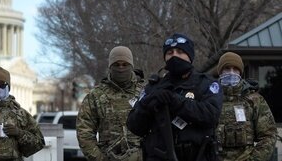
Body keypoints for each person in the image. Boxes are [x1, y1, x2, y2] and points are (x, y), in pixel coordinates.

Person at [126, 33, 223, 161]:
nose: (174, 56)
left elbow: (211, 115)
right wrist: (147, 104)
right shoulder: (153, 87)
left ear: (190, 56)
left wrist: (176, 101)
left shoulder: (206, 83)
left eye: (180, 51)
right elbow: (134, 126)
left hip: (197, 156)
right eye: (170, 52)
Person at [76, 46, 145, 161]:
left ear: (131, 66)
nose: (121, 68)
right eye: (117, 65)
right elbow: (84, 132)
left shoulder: (145, 92)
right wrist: (99, 158)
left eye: (125, 64)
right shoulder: (96, 96)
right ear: (110, 67)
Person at [215, 52, 277, 161]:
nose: (231, 72)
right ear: (220, 72)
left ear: (240, 72)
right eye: (227, 68)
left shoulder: (254, 100)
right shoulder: (210, 97)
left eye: (235, 69)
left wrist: (254, 159)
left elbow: (269, 135)